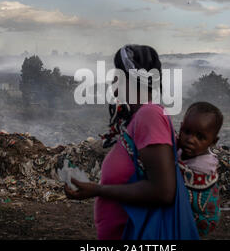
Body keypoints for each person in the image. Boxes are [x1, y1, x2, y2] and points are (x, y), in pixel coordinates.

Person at [65, 44, 192, 240]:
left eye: (116, 73)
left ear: (129, 78)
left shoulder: (149, 116)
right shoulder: (137, 118)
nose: (112, 79)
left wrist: (97, 190)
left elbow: (163, 191)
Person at [177, 101, 223, 236]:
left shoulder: (203, 167)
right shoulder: (184, 151)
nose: (191, 140)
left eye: (200, 137)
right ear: (181, 127)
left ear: (213, 142)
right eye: (187, 132)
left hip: (203, 220)